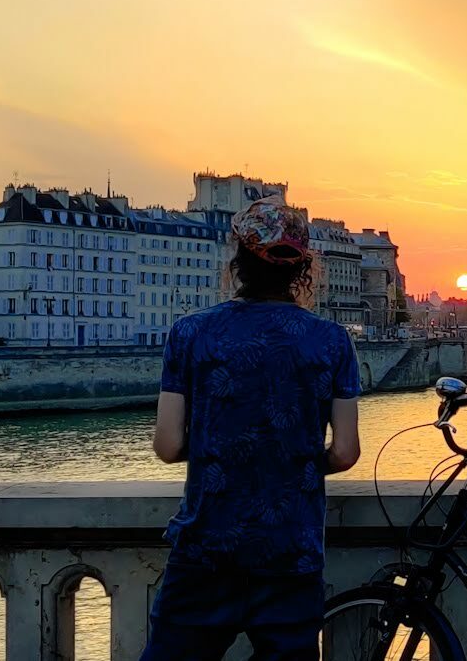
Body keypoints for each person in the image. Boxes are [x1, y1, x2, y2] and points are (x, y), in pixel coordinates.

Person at [142, 199, 362, 660]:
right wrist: (287, 455)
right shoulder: (331, 340)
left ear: (237, 259)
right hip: (291, 549)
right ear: (302, 267)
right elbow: (344, 452)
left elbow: (167, 445)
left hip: (207, 544)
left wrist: (220, 445)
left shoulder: (191, 333)